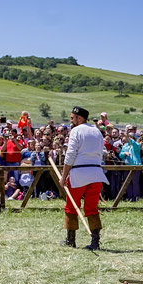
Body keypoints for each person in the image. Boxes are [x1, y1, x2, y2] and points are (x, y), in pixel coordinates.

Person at [59, 106, 107, 250]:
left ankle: (71, 240)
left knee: (71, 206)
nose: (71, 120)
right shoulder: (97, 131)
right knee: (92, 208)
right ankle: (95, 242)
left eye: (73, 118)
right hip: (96, 173)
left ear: (80, 118)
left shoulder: (76, 131)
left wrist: (64, 176)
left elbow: (70, 154)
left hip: (78, 174)